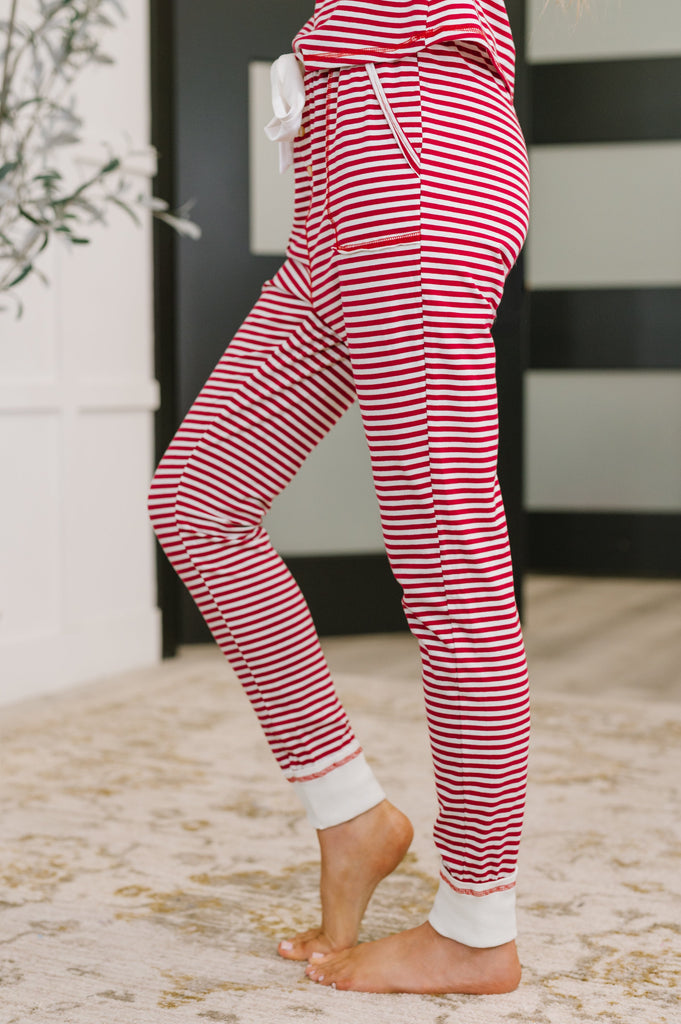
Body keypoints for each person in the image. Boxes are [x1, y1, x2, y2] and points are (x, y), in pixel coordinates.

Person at [147, 0, 531, 995]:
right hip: (342, 159)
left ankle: (477, 925)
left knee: (449, 564)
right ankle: (350, 812)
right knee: (198, 500)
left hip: (414, 151)